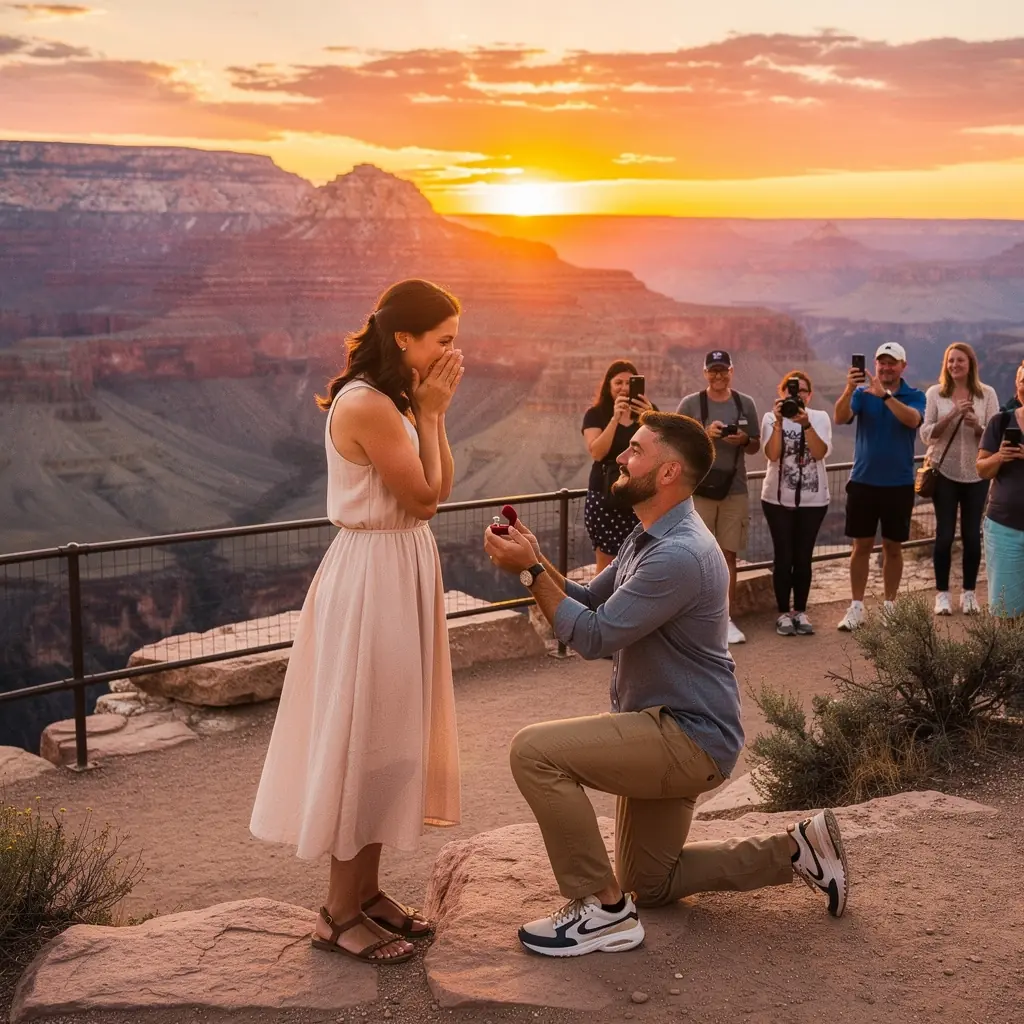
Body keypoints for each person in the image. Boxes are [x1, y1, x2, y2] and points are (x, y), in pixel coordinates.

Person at [483, 411, 849, 958]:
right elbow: (589, 602)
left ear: (669, 471)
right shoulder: (652, 531)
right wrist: (535, 559)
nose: (621, 459)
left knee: (533, 753)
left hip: (685, 735)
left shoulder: (680, 554)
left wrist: (531, 575)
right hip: (666, 728)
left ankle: (601, 912)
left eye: (635, 450)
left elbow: (593, 637)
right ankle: (796, 852)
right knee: (650, 886)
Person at [250, 280, 464, 964]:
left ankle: (368, 895)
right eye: (445, 341)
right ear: (405, 338)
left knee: (391, 738)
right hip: (374, 576)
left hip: (399, 569)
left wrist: (433, 413)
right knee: (363, 739)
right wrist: (429, 418)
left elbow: (441, 487)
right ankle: (338, 915)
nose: (453, 353)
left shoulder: (398, 399)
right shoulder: (369, 404)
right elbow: (426, 499)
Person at [833, 342, 926, 631]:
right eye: (881, 363)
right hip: (863, 481)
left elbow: (913, 421)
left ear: (903, 366)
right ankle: (857, 607)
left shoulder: (915, 395)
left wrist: (885, 396)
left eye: (892, 363)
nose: (886, 368)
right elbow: (840, 417)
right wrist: (849, 389)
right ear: (875, 365)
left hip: (898, 483)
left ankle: (889, 606)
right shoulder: (862, 393)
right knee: (860, 546)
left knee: (893, 547)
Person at [677, 350, 760, 645]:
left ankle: (725, 618)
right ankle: (692, 619)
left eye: (723, 370)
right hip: (697, 491)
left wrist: (744, 440)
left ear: (731, 371)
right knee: (694, 556)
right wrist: (704, 433)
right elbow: (675, 443)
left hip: (734, 489)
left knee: (728, 555)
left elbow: (755, 446)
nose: (718, 376)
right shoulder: (690, 404)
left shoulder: (745, 404)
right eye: (713, 371)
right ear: (705, 373)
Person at [920, 343, 998, 616]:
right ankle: (942, 594)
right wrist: (953, 414)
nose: (955, 365)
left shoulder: (987, 394)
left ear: (970, 364)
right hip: (944, 474)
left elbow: (993, 435)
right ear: (946, 364)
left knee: (971, 536)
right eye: (950, 361)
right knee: (943, 536)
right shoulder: (935, 394)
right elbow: (927, 434)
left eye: (960, 361)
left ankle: (969, 594)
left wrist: (976, 426)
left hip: (976, 473)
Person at [760, 370, 833, 636]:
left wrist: (805, 424)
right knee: (783, 556)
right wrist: (779, 423)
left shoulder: (820, 417)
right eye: (792, 391)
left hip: (813, 501)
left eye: (802, 391)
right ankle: (783, 613)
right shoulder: (770, 418)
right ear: (782, 393)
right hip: (777, 500)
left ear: (810, 395)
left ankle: (799, 611)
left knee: (803, 557)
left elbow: (820, 452)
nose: (797, 395)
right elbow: (772, 455)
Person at [581, 360, 654, 573]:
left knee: (639, 559)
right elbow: (597, 452)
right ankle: (603, 606)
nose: (624, 388)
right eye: (618, 383)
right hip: (605, 496)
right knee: (606, 562)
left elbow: (662, 447)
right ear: (608, 386)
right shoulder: (595, 414)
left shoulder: (649, 412)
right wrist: (615, 419)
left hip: (639, 495)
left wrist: (650, 418)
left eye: (630, 383)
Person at [976, 360, 1024, 618]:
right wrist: (1000, 457)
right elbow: (982, 469)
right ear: (1017, 385)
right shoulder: (1000, 422)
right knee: (1006, 611)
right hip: (1004, 528)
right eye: (1023, 379)